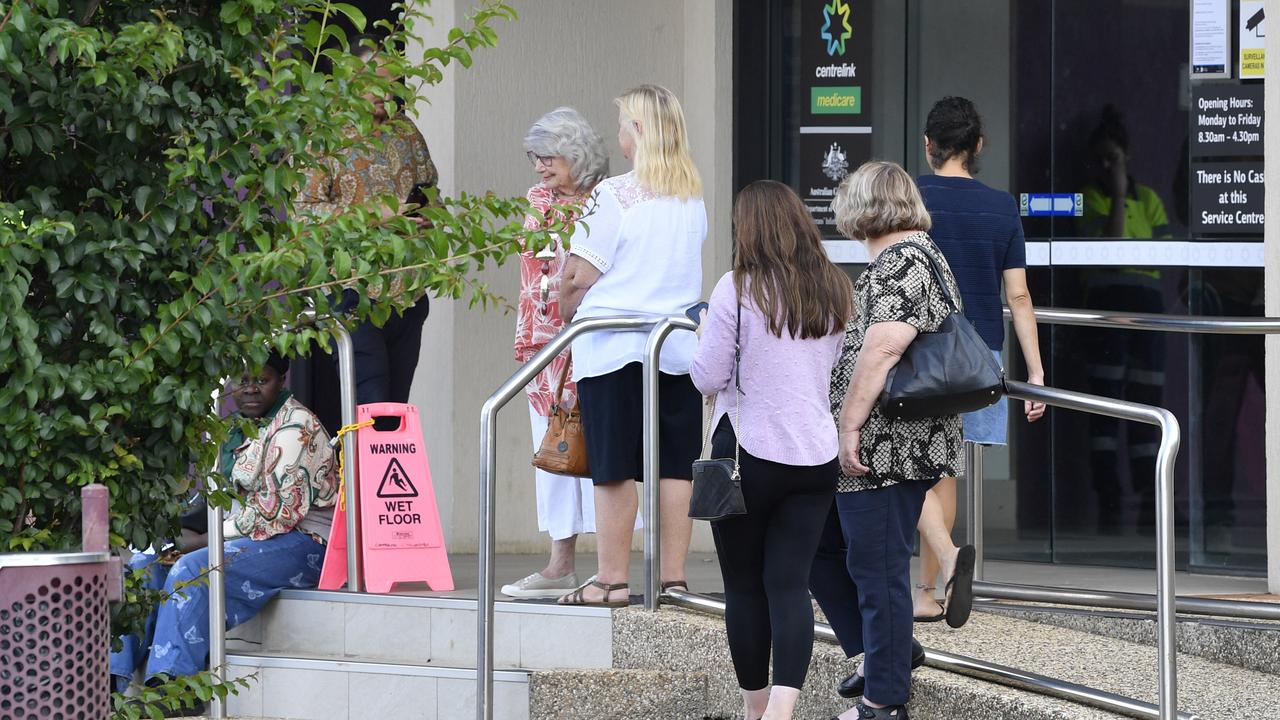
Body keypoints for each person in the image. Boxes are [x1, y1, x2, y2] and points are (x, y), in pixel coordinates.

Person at [809, 161, 964, 720]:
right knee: (819, 546)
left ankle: (884, 701)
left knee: (877, 572)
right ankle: (887, 652)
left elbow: (882, 349)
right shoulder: (916, 256)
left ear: (865, 208)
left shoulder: (904, 261)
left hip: (887, 445)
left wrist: (849, 425)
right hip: (888, 443)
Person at [690, 180, 849, 720]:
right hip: (815, 454)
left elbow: (707, 378)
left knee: (743, 584)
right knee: (790, 584)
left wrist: (703, 333)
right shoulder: (833, 287)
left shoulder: (734, 288)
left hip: (747, 453)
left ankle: (755, 710)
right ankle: (784, 708)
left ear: (749, 229)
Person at [110, 353, 337, 716]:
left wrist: (202, 541)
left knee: (195, 568)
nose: (249, 389)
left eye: (261, 380)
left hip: (302, 541)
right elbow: (217, 496)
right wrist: (176, 532)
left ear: (281, 380)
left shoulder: (296, 427)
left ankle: (175, 688)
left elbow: (275, 514)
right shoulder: (234, 427)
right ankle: (112, 678)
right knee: (145, 561)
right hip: (242, 533)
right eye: (242, 380)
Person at [556, 84, 706, 606]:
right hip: (675, 347)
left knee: (614, 464)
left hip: (613, 343)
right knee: (673, 464)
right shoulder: (691, 196)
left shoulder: (613, 194)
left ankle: (612, 580)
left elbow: (579, 275)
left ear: (638, 131)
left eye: (622, 124)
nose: (617, 133)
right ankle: (673, 578)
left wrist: (564, 298)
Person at [912, 96, 1046, 627]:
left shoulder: (913, 198)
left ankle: (931, 582)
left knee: (916, 466)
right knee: (944, 468)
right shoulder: (1001, 207)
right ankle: (933, 585)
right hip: (977, 354)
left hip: (917, 349)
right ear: (978, 147)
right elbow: (1018, 298)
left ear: (929, 145)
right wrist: (1033, 376)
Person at [501, 107, 611, 599]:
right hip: (543, 342)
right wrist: (528, 335)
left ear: (576, 156)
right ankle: (559, 562)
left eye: (548, 157)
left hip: (591, 336)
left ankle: (611, 567)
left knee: (601, 447)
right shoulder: (539, 199)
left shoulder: (607, 200)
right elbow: (533, 275)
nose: (540, 166)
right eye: (534, 157)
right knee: (553, 449)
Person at [297, 36, 438, 408]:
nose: (385, 92)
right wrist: (377, 217)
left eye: (392, 83)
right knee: (369, 406)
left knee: (395, 409)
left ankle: (384, 468)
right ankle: (356, 469)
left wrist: (427, 216)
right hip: (352, 291)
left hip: (408, 291)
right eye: (375, 82)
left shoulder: (406, 131)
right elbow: (305, 214)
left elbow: (429, 188)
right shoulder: (323, 136)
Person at [1078, 104, 1168, 533]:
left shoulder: (1149, 199)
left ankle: (1152, 505)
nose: (1106, 167)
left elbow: (1166, 255)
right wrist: (1114, 193)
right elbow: (1109, 244)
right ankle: (1110, 503)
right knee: (1106, 404)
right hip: (1108, 302)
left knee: (1146, 403)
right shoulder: (1093, 197)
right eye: (1100, 160)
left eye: (1113, 158)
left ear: (1127, 156)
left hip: (1146, 305)